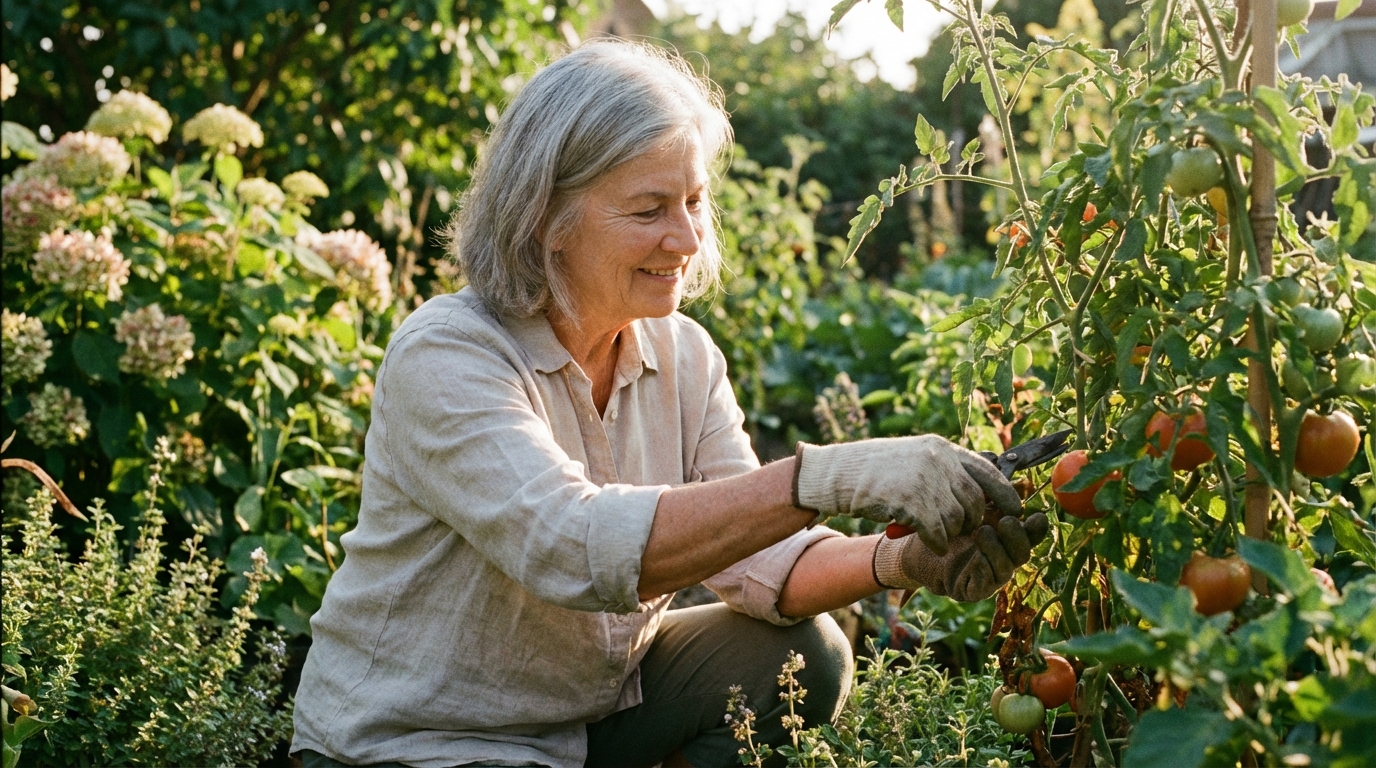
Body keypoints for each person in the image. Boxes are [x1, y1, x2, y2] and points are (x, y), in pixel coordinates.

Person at [291, 40, 1047, 768]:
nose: (686, 237)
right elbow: (568, 546)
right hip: (415, 741)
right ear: (547, 221)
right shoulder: (450, 353)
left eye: (693, 199)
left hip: (579, 724)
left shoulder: (682, 354)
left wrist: (903, 559)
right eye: (649, 208)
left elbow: (763, 560)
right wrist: (828, 476)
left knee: (805, 657)